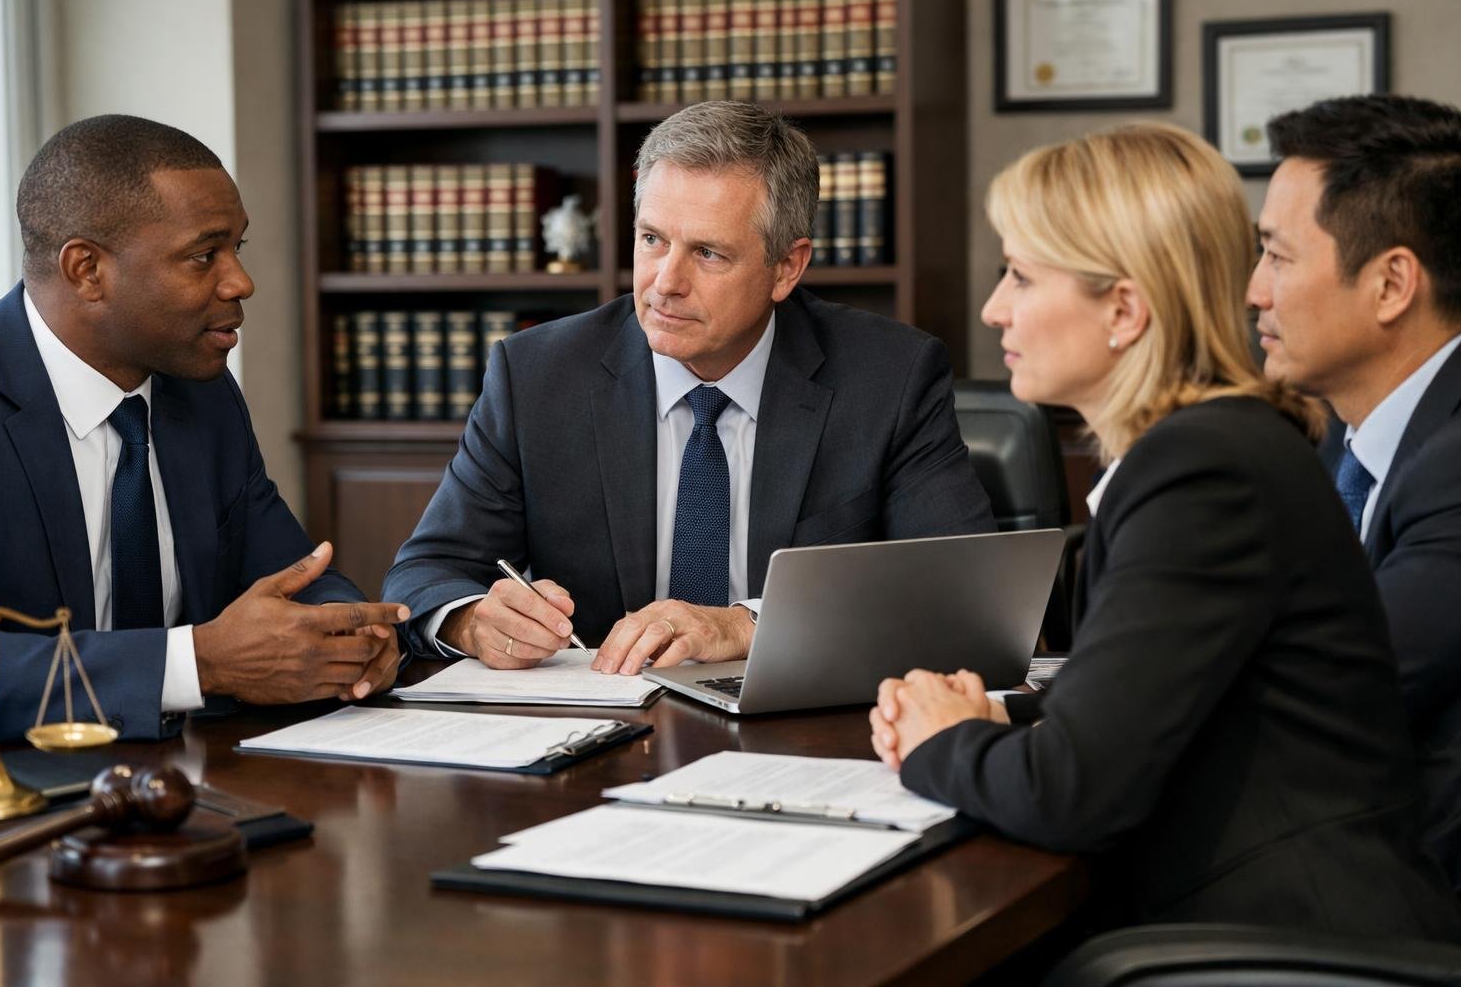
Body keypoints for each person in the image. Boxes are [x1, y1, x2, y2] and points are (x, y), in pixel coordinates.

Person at [869, 122, 1461, 937]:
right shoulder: (1217, 446)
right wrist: (1008, 723)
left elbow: (1071, 792)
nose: (992, 309)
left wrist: (945, 741)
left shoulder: (1202, 471)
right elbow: (1165, 695)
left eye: (1020, 276)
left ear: (1124, 308)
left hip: (1285, 940)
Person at [384, 100, 993, 672]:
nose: (665, 282)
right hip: (599, 728)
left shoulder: (888, 377)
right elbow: (427, 571)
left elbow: (961, 594)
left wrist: (747, 625)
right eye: (652, 240)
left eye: (707, 252)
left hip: (796, 732)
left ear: (787, 267)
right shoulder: (538, 375)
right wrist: (471, 621)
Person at [0, 115, 409, 743]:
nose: (240, 282)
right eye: (204, 255)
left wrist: (352, 638)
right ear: (86, 269)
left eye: (238, 248)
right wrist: (200, 662)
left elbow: (290, 576)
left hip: (192, 786)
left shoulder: (202, 393)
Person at [1250, 94, 1461, 892]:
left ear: (1390, 284)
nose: (1254, 293)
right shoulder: (1345, 434)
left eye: (1277, 256)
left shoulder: (1453, 463)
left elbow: (1326, 696)